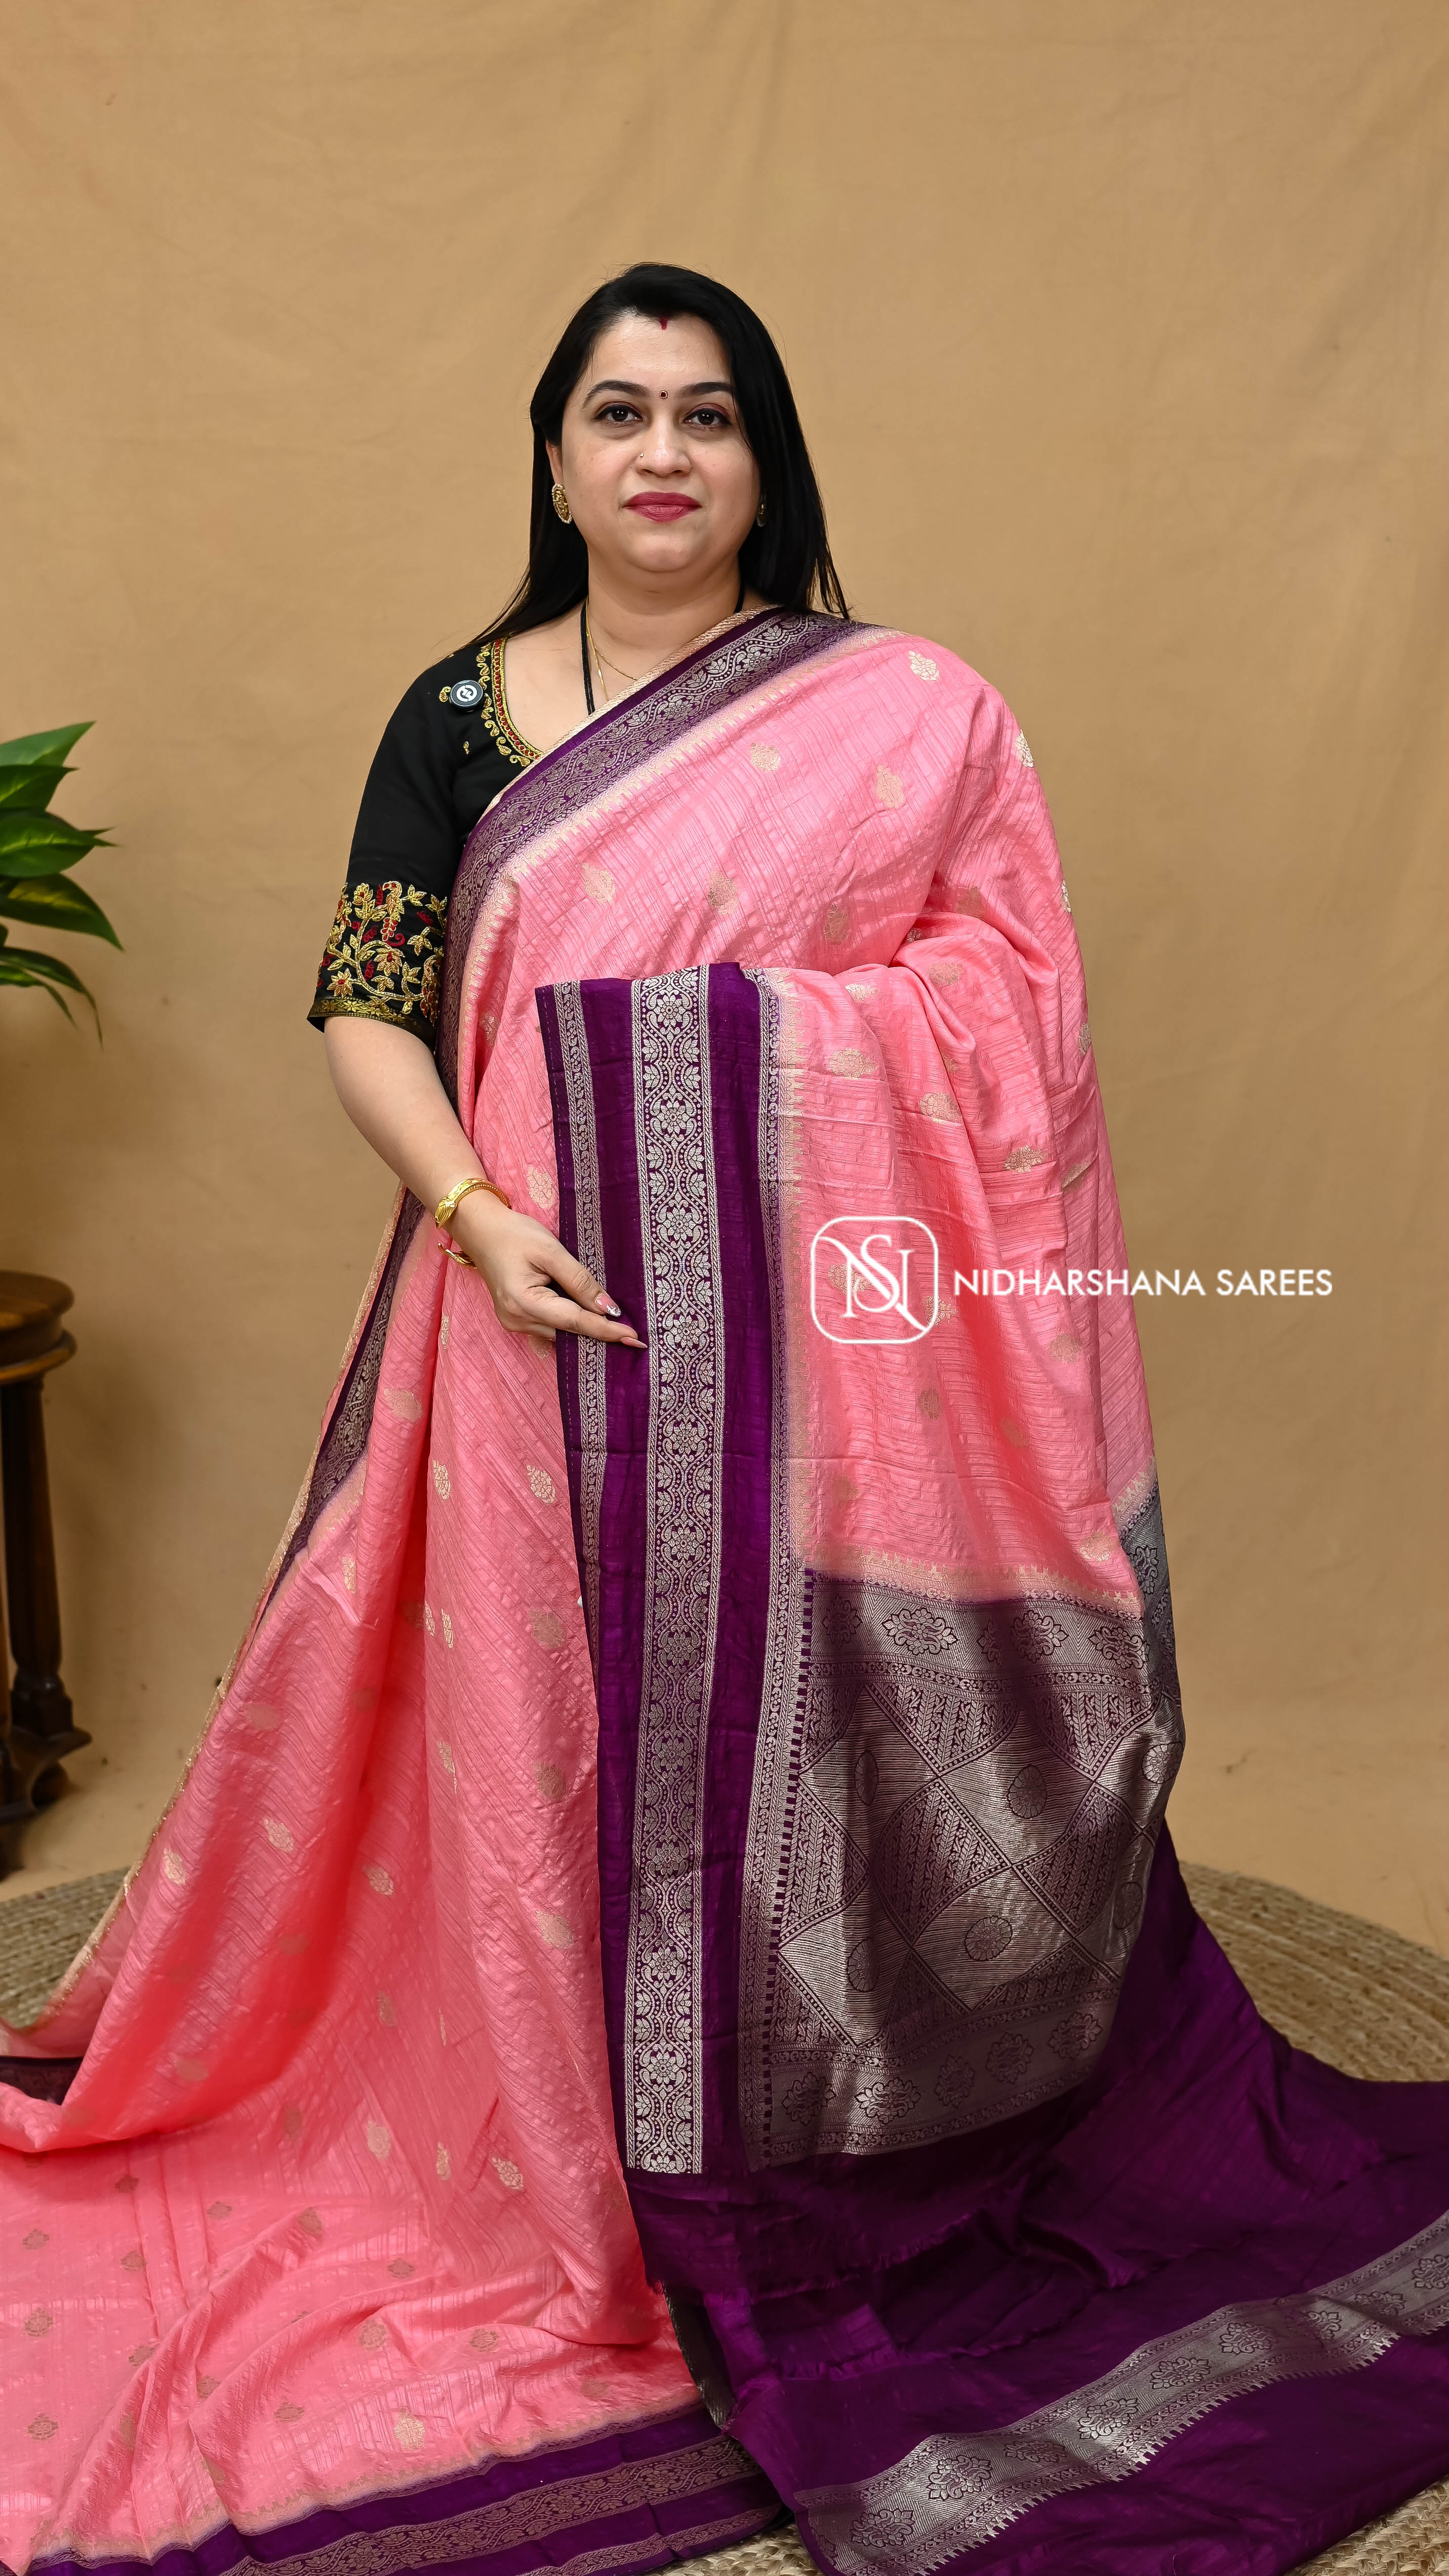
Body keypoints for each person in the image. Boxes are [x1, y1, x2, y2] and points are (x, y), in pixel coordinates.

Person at [2, 262, 1447, 2576]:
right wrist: (479, 1213)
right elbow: (367, 1004)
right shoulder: (457, 715)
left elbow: (1009, 1011)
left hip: (819, 1357)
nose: (660, 455)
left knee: (768, 1743)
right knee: (529, 1758)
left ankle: (791, 2121)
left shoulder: (898, 715)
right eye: (617, 413)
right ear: (552, 456)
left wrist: (734, 1068)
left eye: (706, 415)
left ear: (762, 458)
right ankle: (540, 2152)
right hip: (528, 1316)